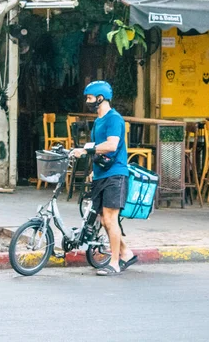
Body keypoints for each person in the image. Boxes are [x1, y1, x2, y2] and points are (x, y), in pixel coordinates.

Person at [73, 81, 137, 276]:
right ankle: (126, 252)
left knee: (110, 218)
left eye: (90, 98)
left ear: (100, 98)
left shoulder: (114, 119)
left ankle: (115, 263)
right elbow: (99, 150)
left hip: (115, 175)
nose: (87, 101)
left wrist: (85, 149)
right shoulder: (98, 121)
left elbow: (111, 145)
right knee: (102, 218)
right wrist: (93, 169)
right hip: (102, 173)